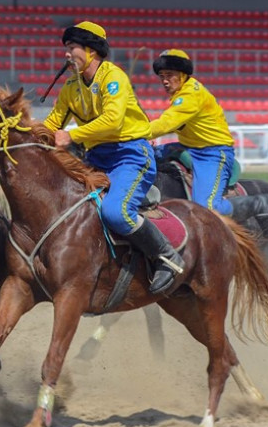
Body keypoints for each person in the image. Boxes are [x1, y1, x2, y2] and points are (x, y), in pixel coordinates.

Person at [44, 21, 184, 294]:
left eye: (72, 47)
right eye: (66, 48)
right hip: (97, 157)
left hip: (131, 156)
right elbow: (52, 122)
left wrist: (71, 136)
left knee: (115, 213)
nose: (66, 54)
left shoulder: (114, 77)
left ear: (92, 50)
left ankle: (168, 257)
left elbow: (112, 120)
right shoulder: (71, 86)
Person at [148, 49, 268, 225]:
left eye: (170, 75)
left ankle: (261, 203)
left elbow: (167, 123)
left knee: (206, 208)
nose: (165, 81)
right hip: (187, 147)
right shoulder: (181, 92)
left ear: (183, 74)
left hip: (213, 153)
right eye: (161, 76)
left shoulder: (191, 95)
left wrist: (134, 133)